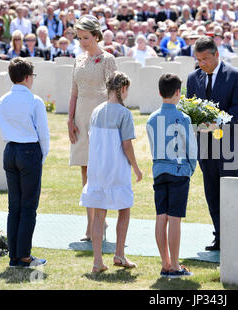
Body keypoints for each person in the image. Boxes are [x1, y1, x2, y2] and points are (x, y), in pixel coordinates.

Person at [186, 36, 238, 251]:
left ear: (216, 54)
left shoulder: (235, 75)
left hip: (230, 141)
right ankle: (219, 236)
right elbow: (190, 107)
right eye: (198, 59)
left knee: (230, 191)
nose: (202, 63)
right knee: (212, 191)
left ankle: (233, 235)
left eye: (205, 58)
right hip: (205, 143)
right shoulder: (192, 77)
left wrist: (217, 123)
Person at [80, 71, 141, 273]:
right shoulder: (124, 113)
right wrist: (136, 167)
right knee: (124, 209)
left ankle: (97, 261)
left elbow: (91, 139)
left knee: (99, 214)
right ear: (123, 89)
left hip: (97, 168)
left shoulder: (97, 110)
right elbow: (127, 146)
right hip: (116, 168)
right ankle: (119, 254)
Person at [0, 57, 50, 268]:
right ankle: (24, 256)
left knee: (14, 206)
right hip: (29, 150)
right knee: (28, 207)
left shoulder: (3, 99)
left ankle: (14, 257)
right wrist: (42, 156)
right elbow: (43, 134)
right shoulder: (34, 100)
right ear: (28, 78)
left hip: (10, 150)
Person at [68, 15, 117, 242]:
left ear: (96, 35)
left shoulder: (108, 60)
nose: (82, 42)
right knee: (85, 171)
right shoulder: (77, 60)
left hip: (101, 118)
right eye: (79, 38)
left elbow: (114, 93)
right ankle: (91, 225)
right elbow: (74, 92)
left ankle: (99, 222)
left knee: (100, 172)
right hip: (80, 117)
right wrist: (70, 119)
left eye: (85, 37)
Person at [146, 73, 197, 278]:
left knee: (161, 216)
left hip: (159, 171)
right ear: (178, 92)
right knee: (175, 218)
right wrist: (190, 169)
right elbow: (191, 150)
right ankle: (175, 265)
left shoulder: (151, 118)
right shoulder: (183, 118)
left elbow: (152, 146)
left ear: (159, 92)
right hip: (178, 170)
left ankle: (165, 263)